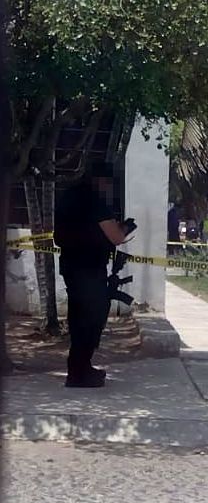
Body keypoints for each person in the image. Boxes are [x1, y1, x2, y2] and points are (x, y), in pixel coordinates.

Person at [54, 161, 135, 388]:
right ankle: (79, 373)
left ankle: (79, 368)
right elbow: (116, 237)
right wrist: (126, 228)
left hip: (71, 266)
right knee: (91, 321)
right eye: (108, 184)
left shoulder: (70, 196)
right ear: (102, 181)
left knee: (78, 319)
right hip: (89, 269)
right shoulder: (95, 201)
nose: (109, 189)